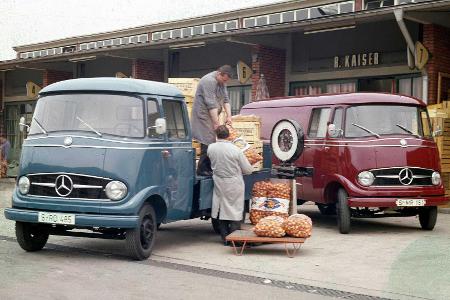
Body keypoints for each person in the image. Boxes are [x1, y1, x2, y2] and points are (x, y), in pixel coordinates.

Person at [207, 125, 253, 245]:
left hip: (218, 182)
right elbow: (248, 170)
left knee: (222, 210)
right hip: (234, 183)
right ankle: (234, 239)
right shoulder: (235, 150)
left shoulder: (211, 148)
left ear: (216, 135)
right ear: (228, 135)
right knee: (235, 211)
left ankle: (225, 238)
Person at [191, 65, 233, 176]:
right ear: (219, 74)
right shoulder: (208, 81)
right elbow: (211, 104)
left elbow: (226, 100)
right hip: (203, 114)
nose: (224, 83)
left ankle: (209, 167)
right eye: (224, 80)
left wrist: (229, 116)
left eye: (226, 81)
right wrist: (216, 123)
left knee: (212, 140)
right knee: (207, 139)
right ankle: (202, 169)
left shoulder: (222, 83)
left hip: (213, 113)